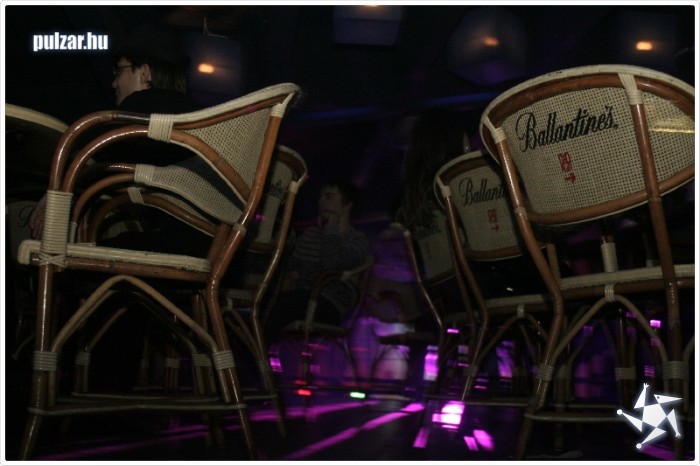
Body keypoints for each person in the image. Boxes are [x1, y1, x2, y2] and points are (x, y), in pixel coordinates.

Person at [29, 23, 210, 256]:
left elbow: (87, 143)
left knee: (65, 258)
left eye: (119, 71)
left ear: (144, 73)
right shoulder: (198, 116)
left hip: (177, 249)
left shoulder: (143, 106)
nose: (114, 83)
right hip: (215, 248)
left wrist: (55, 192)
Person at [264, 179, 372, 344]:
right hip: (298, 298)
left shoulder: (357, 240)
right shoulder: (310, 235)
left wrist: (332, 227)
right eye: (320, 198)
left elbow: (331, 264)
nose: (321, 202)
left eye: (328, 197)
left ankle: (254, 353)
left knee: (281, 306)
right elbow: (290, 271)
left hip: (329, 306)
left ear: (347, 205)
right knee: (265, 302)